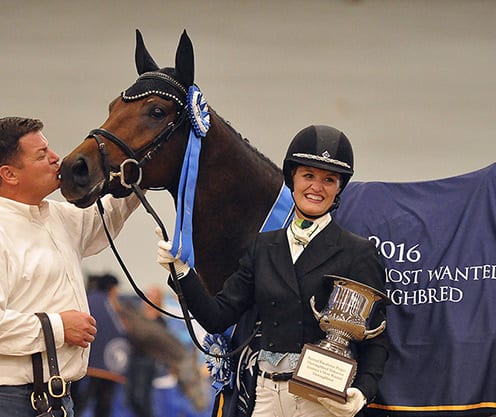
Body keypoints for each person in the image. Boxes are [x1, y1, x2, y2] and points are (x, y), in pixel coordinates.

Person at [156, 125, 388, 417]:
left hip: (323, 400)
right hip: (266, 394)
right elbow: (218, 317)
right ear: (293, 177)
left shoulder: (357, 252)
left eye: (329, 179)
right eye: (308, 176)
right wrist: (181, 273)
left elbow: (375, 339)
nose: (317, 187)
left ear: (339, 187)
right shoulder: (264, 246)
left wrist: (363, 392)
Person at [0, 117, 140, 417]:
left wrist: (137, 171)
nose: (55, 159)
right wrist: (58, 327)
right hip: (2, 400)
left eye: (49, 149)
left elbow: (105, 220)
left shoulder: (56, 216)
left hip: (53, 397)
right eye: (41, 155)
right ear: (9, 174)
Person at [73, 273, 128, 417]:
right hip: (104, 364)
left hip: (83, 362)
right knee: (100, 403)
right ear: (112, 288)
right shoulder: (110, 306)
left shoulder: (87, 300)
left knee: (80, 402)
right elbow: (121, 331)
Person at [125, 286, 167, 417]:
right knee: (130, 397)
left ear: (158, 300)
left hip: (148, 361)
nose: (148, 298)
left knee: (141, 397)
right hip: (133, 358)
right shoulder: (139, 317)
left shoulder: (160, 321)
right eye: (147, 295)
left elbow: (154, 342)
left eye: (152, 296)